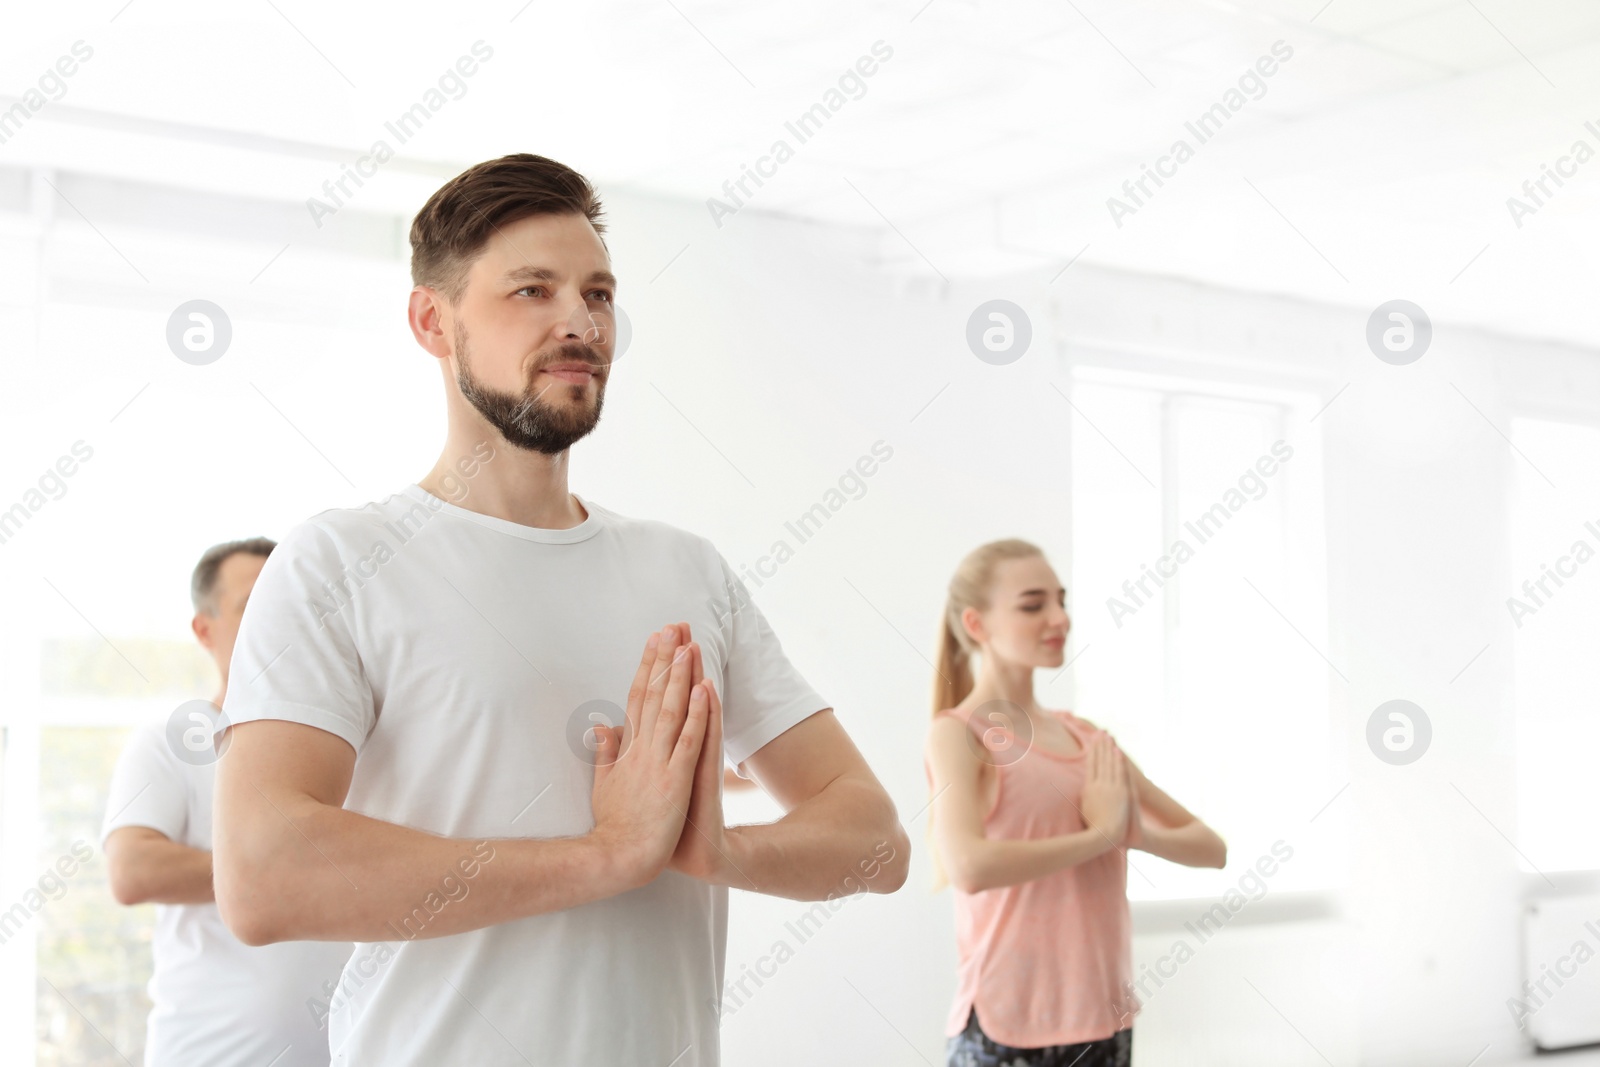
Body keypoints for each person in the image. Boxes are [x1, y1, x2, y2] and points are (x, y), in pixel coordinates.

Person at [210, 153, 910, 1066]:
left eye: (599, 293)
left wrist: (719, 852)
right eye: (532, 291)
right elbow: (265, 875)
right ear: (433, 321)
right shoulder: (341, 560)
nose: (579, 322)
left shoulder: (685, 568)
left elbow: (876, 839)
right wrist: (607, 853)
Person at [924, 538, 1227, 1067]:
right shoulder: (958, 734)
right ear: (977, 624)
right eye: (1033, 604)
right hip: (1006, 1024)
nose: (1059, 617)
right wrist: (1098, 838)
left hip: (1104, 1022)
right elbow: (969, 867)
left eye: (1061, 601)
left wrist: (1137, 834)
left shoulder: (1088, 738)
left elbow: (1211, 847)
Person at [102, 538, 353, 1066]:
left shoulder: (356, 752)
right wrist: (276, 870)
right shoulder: (168, 745)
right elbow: (132, 871)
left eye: (285, 606)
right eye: (250, 607)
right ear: (204, 629)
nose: (273, 623)